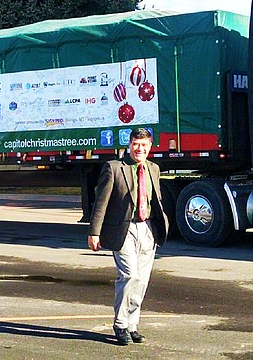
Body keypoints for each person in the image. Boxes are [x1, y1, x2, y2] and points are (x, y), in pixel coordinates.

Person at [87, 128, 168, 346]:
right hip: (124, 230)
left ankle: (133, 325)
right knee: (129, 275)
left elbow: (155, 200)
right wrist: (95, 232)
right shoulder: (114, 168)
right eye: (135, 144)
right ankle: (120, 324)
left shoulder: (154, 169)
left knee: (141, 280)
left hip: (148, 229)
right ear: (129, 144)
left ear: (150, 147)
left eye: (144, 145)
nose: (139, 148)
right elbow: (101, 202)